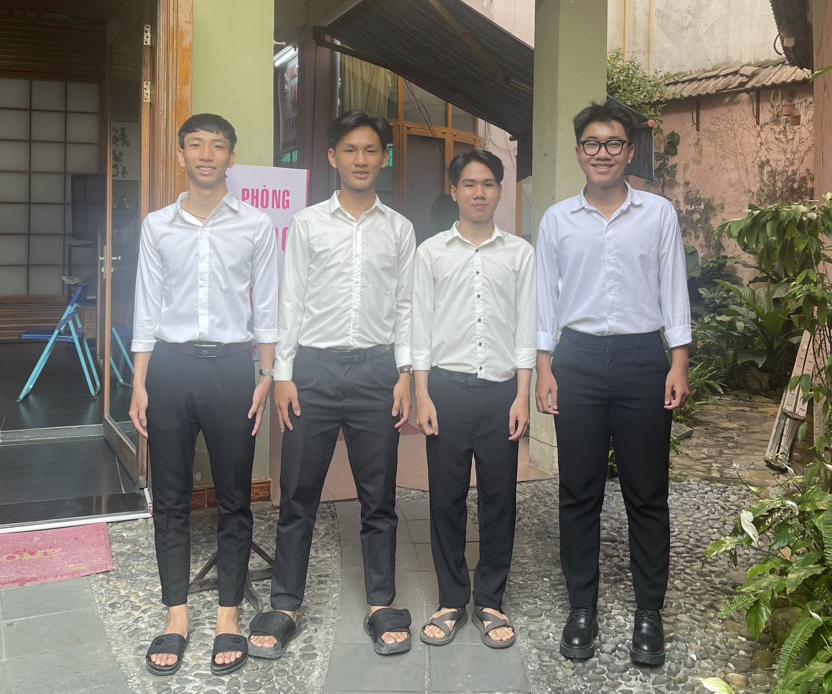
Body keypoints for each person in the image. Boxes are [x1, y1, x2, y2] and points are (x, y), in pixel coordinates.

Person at [248, 109, 417, 659]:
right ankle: (285, 604)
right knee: (299, 493)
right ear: (332, 157)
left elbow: (406, 306)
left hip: (376, 373)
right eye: (350, 150)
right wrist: (283, 374)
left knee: (379, 497)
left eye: (370, 150)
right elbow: (290, 300)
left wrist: (405, 373)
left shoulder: (400, 229)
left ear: (384, 158)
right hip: (313, 373)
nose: (360, 160)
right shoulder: (307, 224)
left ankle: (381, 603)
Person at [534, 101, 692, 668]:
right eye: (592, 144)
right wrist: (545, 366)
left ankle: (649, 612)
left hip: (641, 359)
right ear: (580, 152)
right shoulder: (557, 220)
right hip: (576, 360)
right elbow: (545, 298)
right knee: (579, 491)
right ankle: (582, 608)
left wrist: (678, 361)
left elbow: (673, 287)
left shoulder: (657, 214)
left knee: (646, 492)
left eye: (613, 144)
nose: (602, 153)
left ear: (629, 152)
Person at [129, 112, 279, 677]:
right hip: (169, 368)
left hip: (232, 370)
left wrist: (267, 374)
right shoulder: (157, 226)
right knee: (170, 498)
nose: (207, 154)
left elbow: (269, 305)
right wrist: (139, 381)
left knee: (235, 496)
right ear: (182, 155)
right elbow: (146, 305)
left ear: (231, 158)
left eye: (218, 146)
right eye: (196, 145)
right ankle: (176, 615)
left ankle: (228, 616)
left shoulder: (256, 224)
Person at [412, 149, 535, 649]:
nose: (478, 192)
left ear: (500, 191)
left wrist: (522, 395)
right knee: (446, 498)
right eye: (469, 184)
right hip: (446, 388)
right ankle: (450, 599)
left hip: (502, 391)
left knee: (499, 498)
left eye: (487, 183)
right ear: (455, 191)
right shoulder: (431, 253)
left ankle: (490, 599)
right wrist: (422, 393)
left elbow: (526, 326)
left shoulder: (519, 254)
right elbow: (419, 327)